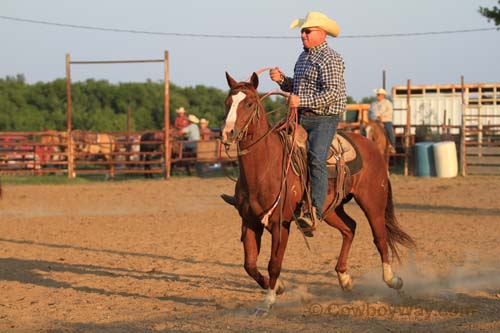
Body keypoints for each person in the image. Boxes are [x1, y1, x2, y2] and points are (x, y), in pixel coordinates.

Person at [270, 11, 347, 237]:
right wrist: (282, 80)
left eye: (307, 31)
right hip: (301, 116)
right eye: (302, 31)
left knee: (315, 156)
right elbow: (298, 88)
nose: (303, 35)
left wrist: (301, 100)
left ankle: (315, 209)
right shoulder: (303, 57)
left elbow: (333, 93)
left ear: (322, 34)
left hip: (323, 118)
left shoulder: (331, 58)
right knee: (274, 146)